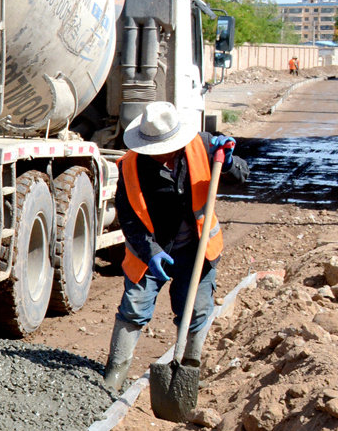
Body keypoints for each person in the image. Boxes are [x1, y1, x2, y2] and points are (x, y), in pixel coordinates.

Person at [101, 101, 239, 393]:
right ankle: (114, 375)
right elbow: (128, 217)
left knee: (198, 310)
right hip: (152, 249)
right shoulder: (130, 165)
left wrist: (228, 163)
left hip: (197, 247)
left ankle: (188, 370)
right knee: (134, 308)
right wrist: (151, 253)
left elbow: (241, 174)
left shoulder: (204, 146)